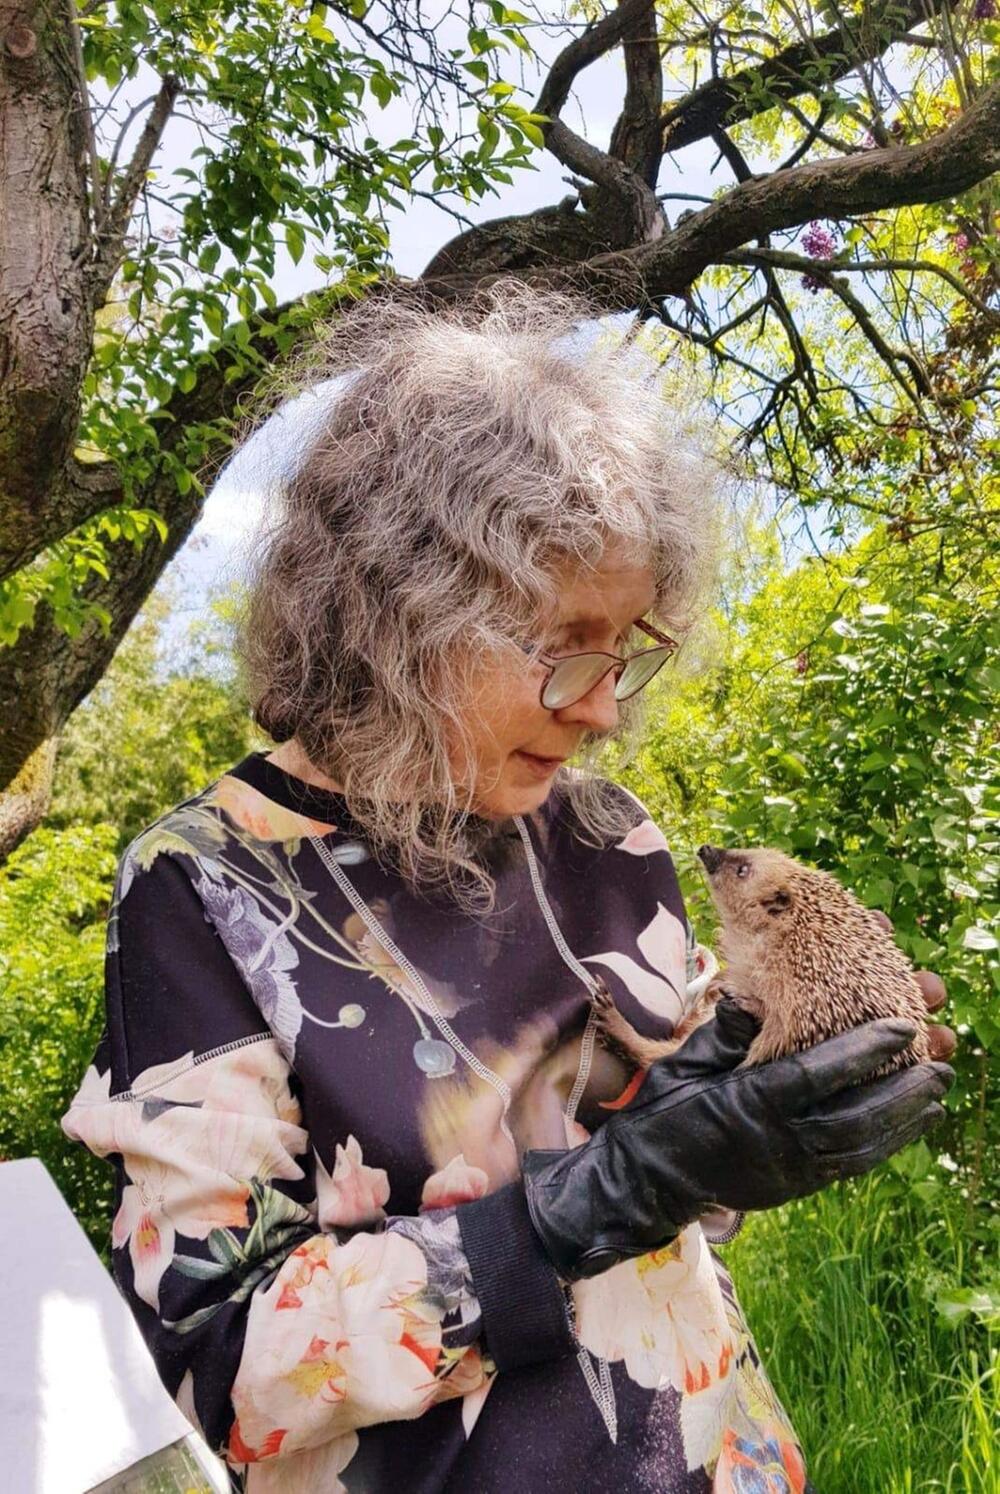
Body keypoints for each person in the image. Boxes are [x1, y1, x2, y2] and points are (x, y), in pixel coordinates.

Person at [63, 284, 954, 1493]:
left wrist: (742, 1133)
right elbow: (222, 1359)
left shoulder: (605, 834)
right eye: (566, 642)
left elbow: (679, 1199)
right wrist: (607, 1192)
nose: (605, 706)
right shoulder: (201, 888)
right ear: (398, 610)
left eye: (630, 644)